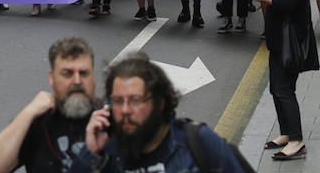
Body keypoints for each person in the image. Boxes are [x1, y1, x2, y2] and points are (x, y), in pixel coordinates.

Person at [71, 53, 246, 172]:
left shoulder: (199, 143)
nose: (124, 110)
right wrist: (90, 153)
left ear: (160, 103)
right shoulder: (108, 152)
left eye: (136, 100)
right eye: (117, 101)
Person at [246, 0, 316, 162]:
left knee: (284, 89)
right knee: (277, 87)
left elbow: (290, 4)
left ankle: (297, 141)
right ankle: (286, 133)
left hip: (290, 40)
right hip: (280, 39)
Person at [0, 37, 97, 173]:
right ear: (52, 78)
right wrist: (29, 111)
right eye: (67, 73)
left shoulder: (110, 116)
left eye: (84, 73)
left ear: (93, 77)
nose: (77, 81)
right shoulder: (38, 121)